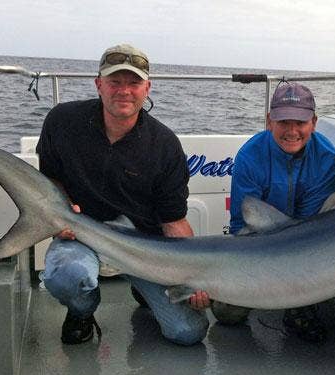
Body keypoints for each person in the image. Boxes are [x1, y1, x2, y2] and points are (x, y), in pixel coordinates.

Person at [36, 44, 210, 346]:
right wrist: (59, 213)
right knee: (67, 276)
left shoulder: (165, 146)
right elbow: (50, 178)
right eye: (115, 82)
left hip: (144, 250)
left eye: (134, 83)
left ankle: (143, 287)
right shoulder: (63, 122)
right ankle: (82, 310)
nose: (124, 91)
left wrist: (194, 277)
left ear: (147, 88)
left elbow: (173, 222)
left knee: (188, 332)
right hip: (83, 235)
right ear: (98, 84)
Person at [211, 82, 335, 343]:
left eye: (300, 122)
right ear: (269, 121)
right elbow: (241, 226)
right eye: (283, 122)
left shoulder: (327, 158)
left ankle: (300, 304)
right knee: (227, 313)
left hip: (304, 241)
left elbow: (308, 227)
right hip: (260, 240)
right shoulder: (250, 156)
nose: (292, 131)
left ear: (313, 122)